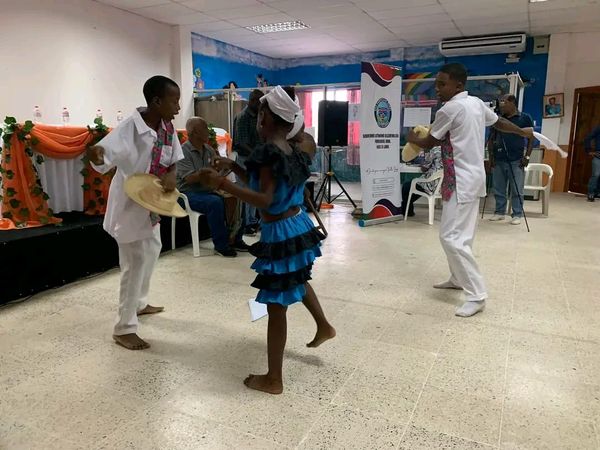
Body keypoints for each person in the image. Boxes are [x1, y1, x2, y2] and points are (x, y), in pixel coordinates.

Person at [198, 85, 336, 394]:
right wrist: (234, 168)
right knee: (298, 278)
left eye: (259, 112)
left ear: (265, 117)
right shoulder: (294, 149)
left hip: (280, 231)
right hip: (297, 224)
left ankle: (274, 379)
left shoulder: (266, 152)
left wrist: (222, 183)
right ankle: (324, 326)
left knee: (276, 306)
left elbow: (263, 199)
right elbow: (265, 185)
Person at [407, 63, 533, 318]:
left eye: (442, 84)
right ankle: (457, 278)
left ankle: (476, 295)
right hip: (469, 180)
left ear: (458, 86)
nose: (437, 89)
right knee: (460, 235)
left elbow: (430, 141)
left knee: (452, 238)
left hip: (461, 182)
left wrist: (411, 140)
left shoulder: (449, 109)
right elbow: (499, 123)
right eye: (437, 84)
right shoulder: (475, 103)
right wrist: (522, 132)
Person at [86, 75, 183, 350]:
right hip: (129, 205)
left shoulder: (167, 128)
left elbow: (174, 160)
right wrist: (96, 154)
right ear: (157, 101)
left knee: (153, 248)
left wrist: (172, 174)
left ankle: (139, 303)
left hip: (151, 204)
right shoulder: (129, 128)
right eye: (174, 101)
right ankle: (124, 328)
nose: (178, 107)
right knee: (134, 261)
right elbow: (102, 155)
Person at [176, 117, 249, 257]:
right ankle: (221, 245)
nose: (208, 132)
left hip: (208, 190)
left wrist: (224, 168)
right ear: (194, 132)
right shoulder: (183, 151)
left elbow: (217, 172)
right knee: (214, 202)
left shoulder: (209, 149)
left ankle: (235, 238)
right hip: (187, 193)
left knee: (240, 196)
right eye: (205, 128)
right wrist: (206, 173)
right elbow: (189, 179)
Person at [488, 95, 534, 225]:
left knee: (517, 189)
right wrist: (491, 157)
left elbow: (531, 138)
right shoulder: (498, 119)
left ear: (513, 103)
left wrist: (527, 156)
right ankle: (499, 212)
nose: (502, 105)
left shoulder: (524, 118)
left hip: (516, 159)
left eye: (504, 102)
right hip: (499, 158)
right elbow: (491, 139)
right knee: (498, 188)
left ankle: (517, 214)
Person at [232, 89, 264, 235]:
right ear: (251, 101)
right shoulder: (243, 117)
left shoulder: (258, 116)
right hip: (245, 159)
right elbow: (241, 143)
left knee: (254, 191)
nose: (259, 105)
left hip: (255, 159)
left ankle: (252, 220)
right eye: (257, 102)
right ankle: (245, 224)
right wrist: (257, 155)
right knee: (246, 193)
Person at [400, 147, 443, 217]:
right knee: (413, 188)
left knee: (406, 186)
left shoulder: (435, 150)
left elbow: (424, 168)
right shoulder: (449, 150)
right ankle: (407, 208)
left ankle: (407, 211)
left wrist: (422, 164)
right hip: (442, 185)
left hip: (431, 184)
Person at [584, 125, 600, 202]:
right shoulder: (598, 128)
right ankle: (591, 193)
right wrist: (588, 150)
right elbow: (588, 138)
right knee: (596, 174)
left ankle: (598, 192)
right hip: (598, 156)